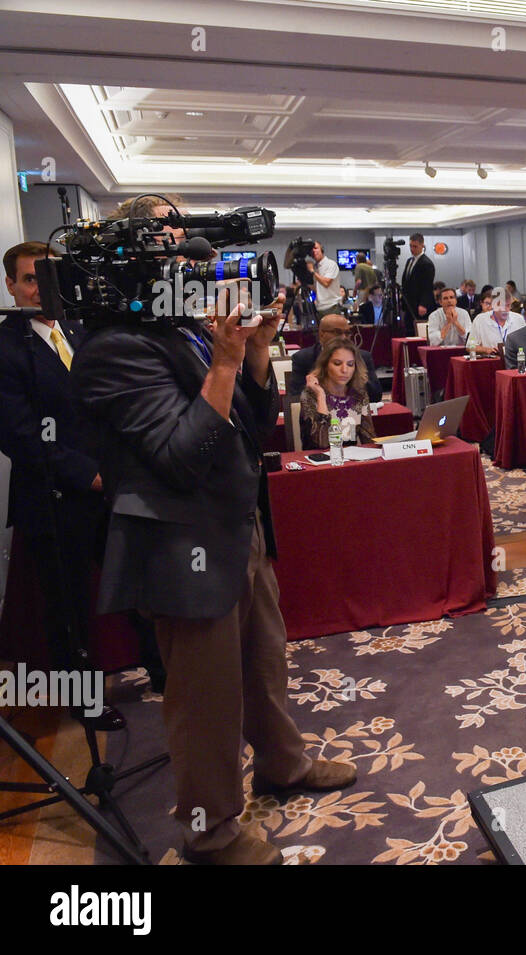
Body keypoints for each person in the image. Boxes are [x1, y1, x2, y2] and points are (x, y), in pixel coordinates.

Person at [72, 252, 356, 866]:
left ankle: (282, 764)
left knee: (264, 660)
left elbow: (253, 428)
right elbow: (181, 457)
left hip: (237, 522)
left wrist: (253, 356)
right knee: (206, 699)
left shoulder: (182, 329)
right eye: (171, 251)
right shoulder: (113, 348)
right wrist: (225, 360)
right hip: (179, 544)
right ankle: (211, 833)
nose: (189, 269)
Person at [0, 241, 164, 720]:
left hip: (115, 487)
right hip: (56, 497)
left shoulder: (80, 329)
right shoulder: (6, 348)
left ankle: (163, 672)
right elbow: (20, 435)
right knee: (69, 608)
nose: (41, 289)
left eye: (49, 278)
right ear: (11, 286)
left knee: (139, 586)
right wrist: (87, 475)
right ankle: (84, 703)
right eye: (31, 279)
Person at [285, 312, 382, 404]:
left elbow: (376, 396)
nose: (343, 338)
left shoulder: (363, 357)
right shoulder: (303, 358)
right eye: (338, 333)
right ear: (321, 334)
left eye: (347, 333)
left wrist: (357, 372)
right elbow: (295, 397)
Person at [299, 338, 376, 450]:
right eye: (337, 363)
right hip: (318, 462)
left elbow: (369, 439)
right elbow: (322, 443)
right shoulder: (311, 394)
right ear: (325, 365)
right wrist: (321, 396)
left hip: (350, 461)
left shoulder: (358, 395)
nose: (344, 370)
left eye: (350, 364)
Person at [399, 234, 436, 335]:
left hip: (419, 304)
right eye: (410, 246)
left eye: (415, 246)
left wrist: (423, 304)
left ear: (422, 246)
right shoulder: (409, 261)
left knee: (417, 331)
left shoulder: (426, 263)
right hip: (409, 303)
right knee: (408, 330)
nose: (412, 249)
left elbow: (427, 286)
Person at [470, 290, 524, 355]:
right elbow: (470, 346)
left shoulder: (519, 319)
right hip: (491, 362)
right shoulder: (480, 320)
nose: (504, 309)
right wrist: (486, 350)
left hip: (515, 361)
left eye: (508, 305)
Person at [306, 241, 342, 318]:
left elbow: (326, 283)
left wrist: (312, 271)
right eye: (312, 250)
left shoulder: (331, 264)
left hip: (331, 307)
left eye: (316, 248)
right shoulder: (315, 267)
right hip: (319, 308)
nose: (314, 251)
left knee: (332, 330)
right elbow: (317, 288)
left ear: (322, 249)